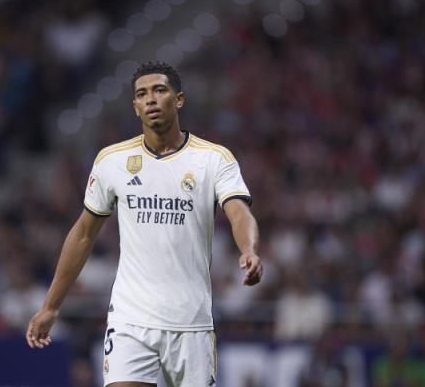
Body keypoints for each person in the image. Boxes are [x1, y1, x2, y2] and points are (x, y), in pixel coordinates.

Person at [26, 61, 263, 386]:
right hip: (130, 320)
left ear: (179, 99)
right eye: (142, 94)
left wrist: (249, 249)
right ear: (135, 106)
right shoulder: (112, 161)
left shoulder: (213, 159)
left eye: (159, 90)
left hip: (190, 323)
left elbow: (238, 212)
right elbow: (83, 234)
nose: (150, 99)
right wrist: (51, 306)